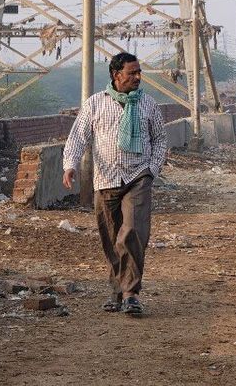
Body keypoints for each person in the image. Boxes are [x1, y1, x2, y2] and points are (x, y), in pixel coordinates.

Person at [62, 52, 168, 316]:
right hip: (106, 178)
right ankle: (117, 290)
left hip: (138, 176)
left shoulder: (148, 104)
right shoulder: (95, 104)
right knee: (111, 238)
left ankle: (131, 293)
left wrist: (152, 169)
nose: (137, 77)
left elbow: (160, 140)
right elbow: (78, 137)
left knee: (132, 233)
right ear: (116, 74)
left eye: (139, 72)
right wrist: (70, 166)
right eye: (132, 73)